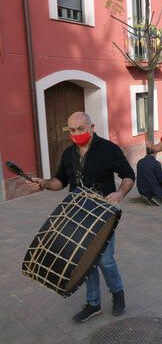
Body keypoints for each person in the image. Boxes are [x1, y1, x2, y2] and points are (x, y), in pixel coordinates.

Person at [27, 112, 134, 322]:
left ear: (91, 127)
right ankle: (93, 303)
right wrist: (44, 183)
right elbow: (60, 181)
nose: (76, 134)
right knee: (84, 261)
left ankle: (118, 294)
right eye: (72, 130)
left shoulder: (108, 150)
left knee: (105, 260)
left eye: (80, 129)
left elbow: (128, 175)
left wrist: (120, 193)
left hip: (103, 215)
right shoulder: (68, 153)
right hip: (75, 215)